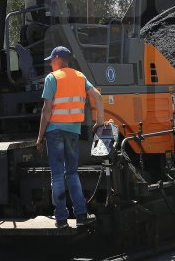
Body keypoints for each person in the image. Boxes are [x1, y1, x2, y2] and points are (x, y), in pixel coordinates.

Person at [36, 46, 104, 228]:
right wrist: (100, 121)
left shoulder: (52, 78)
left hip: (54, 132)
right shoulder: (80, 77)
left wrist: (40, 137)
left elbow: (47, 109)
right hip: (73, 131)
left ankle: (61, 219)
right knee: (72, 173)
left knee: (57, 175)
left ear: (57, 58)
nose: (50, 63)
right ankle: (81, 215)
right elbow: (97, 96)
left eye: (51, 59)